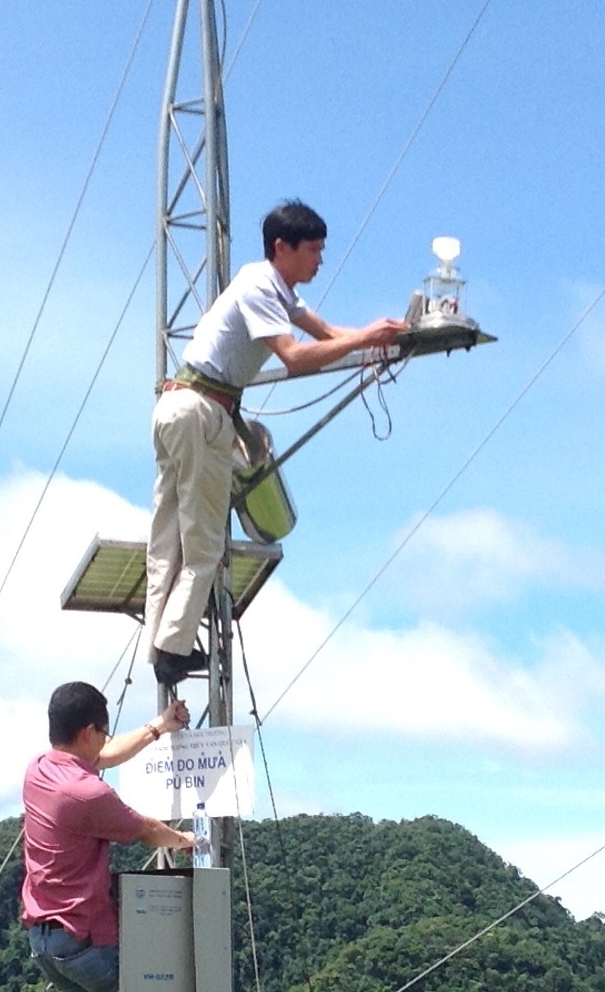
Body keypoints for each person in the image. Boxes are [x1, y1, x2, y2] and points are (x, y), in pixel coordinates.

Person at [145, 200, 409, 684]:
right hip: (202, 410)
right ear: (281, 248)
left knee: (168, 540)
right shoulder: (260, 288)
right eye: (313, 250)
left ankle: (164, 646)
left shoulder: (274, 287)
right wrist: (367, 338)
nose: (319, 260)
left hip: (177, 405)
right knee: (202, 543)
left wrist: (384, 338)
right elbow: (295, 358)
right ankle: (171, 652)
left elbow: (329, 333)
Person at [22, 681, 195, 992]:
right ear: (88, 731)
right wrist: (186, 841)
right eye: (103, 732)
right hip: (84, 940)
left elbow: (105, 755)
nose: (105, 739)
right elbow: (146, 829)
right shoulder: (88, 794)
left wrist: (158, 727)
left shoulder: (38, 770)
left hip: (45, 943)